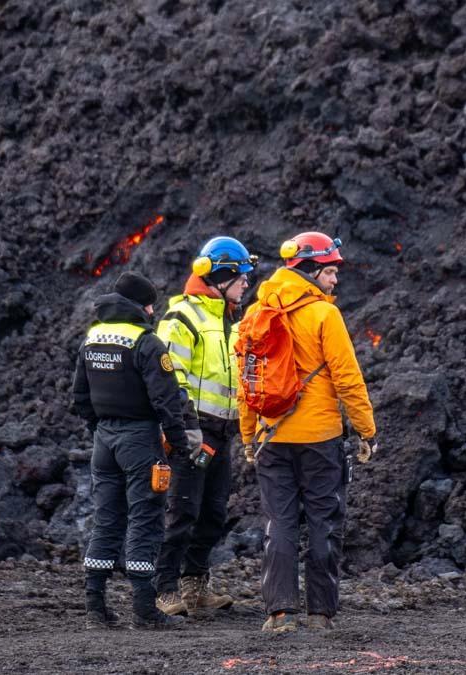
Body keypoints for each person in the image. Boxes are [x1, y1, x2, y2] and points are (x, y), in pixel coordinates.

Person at [239, 231, 378, 633]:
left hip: (271, 438)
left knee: (279, 523)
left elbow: (246, 384)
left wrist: (249, 437)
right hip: (320, 439)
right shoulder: (324, 315)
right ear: (311, 270)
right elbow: (348, 378)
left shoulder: (255, 314)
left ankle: (279, 613)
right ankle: (319, 614)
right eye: (331, 272)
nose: (335, 280)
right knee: (323, 522)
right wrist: (366, 430)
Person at [70, 271, 200, 630]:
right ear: (143, 306)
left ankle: (95, 606)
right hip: (140, 440)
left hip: (104, 441)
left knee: (106, 518)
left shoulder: (92, 339)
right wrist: (177, 441)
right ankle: (144, 609)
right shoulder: (147, 342)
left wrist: (99, 429)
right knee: (145, 518)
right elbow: (166, 400)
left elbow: (79, 397)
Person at [153, 236, 256, 616]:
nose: (247, 283)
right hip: (191, 434)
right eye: (241, 276)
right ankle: (163, 590)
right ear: (220, 277)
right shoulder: (183, 319)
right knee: (181, 512)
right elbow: (169, 379)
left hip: (222, 433)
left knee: (213, 514)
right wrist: (185, 428)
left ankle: (195, 588)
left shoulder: (231, 323)